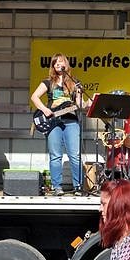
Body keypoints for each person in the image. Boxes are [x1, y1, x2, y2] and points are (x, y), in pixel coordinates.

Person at [31, 53, 89, 196]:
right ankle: (57, 187)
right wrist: (45, 110)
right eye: (55, 62)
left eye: (61, 62)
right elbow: (34, 97)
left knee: (74, 154)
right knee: (55, 155)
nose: (58, 64)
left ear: (66, 64)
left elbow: (80, 104)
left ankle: (78, 187)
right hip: (53, 122)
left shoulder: (74, 83)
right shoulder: (48, 82)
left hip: (71, 121)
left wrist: (88, 103)